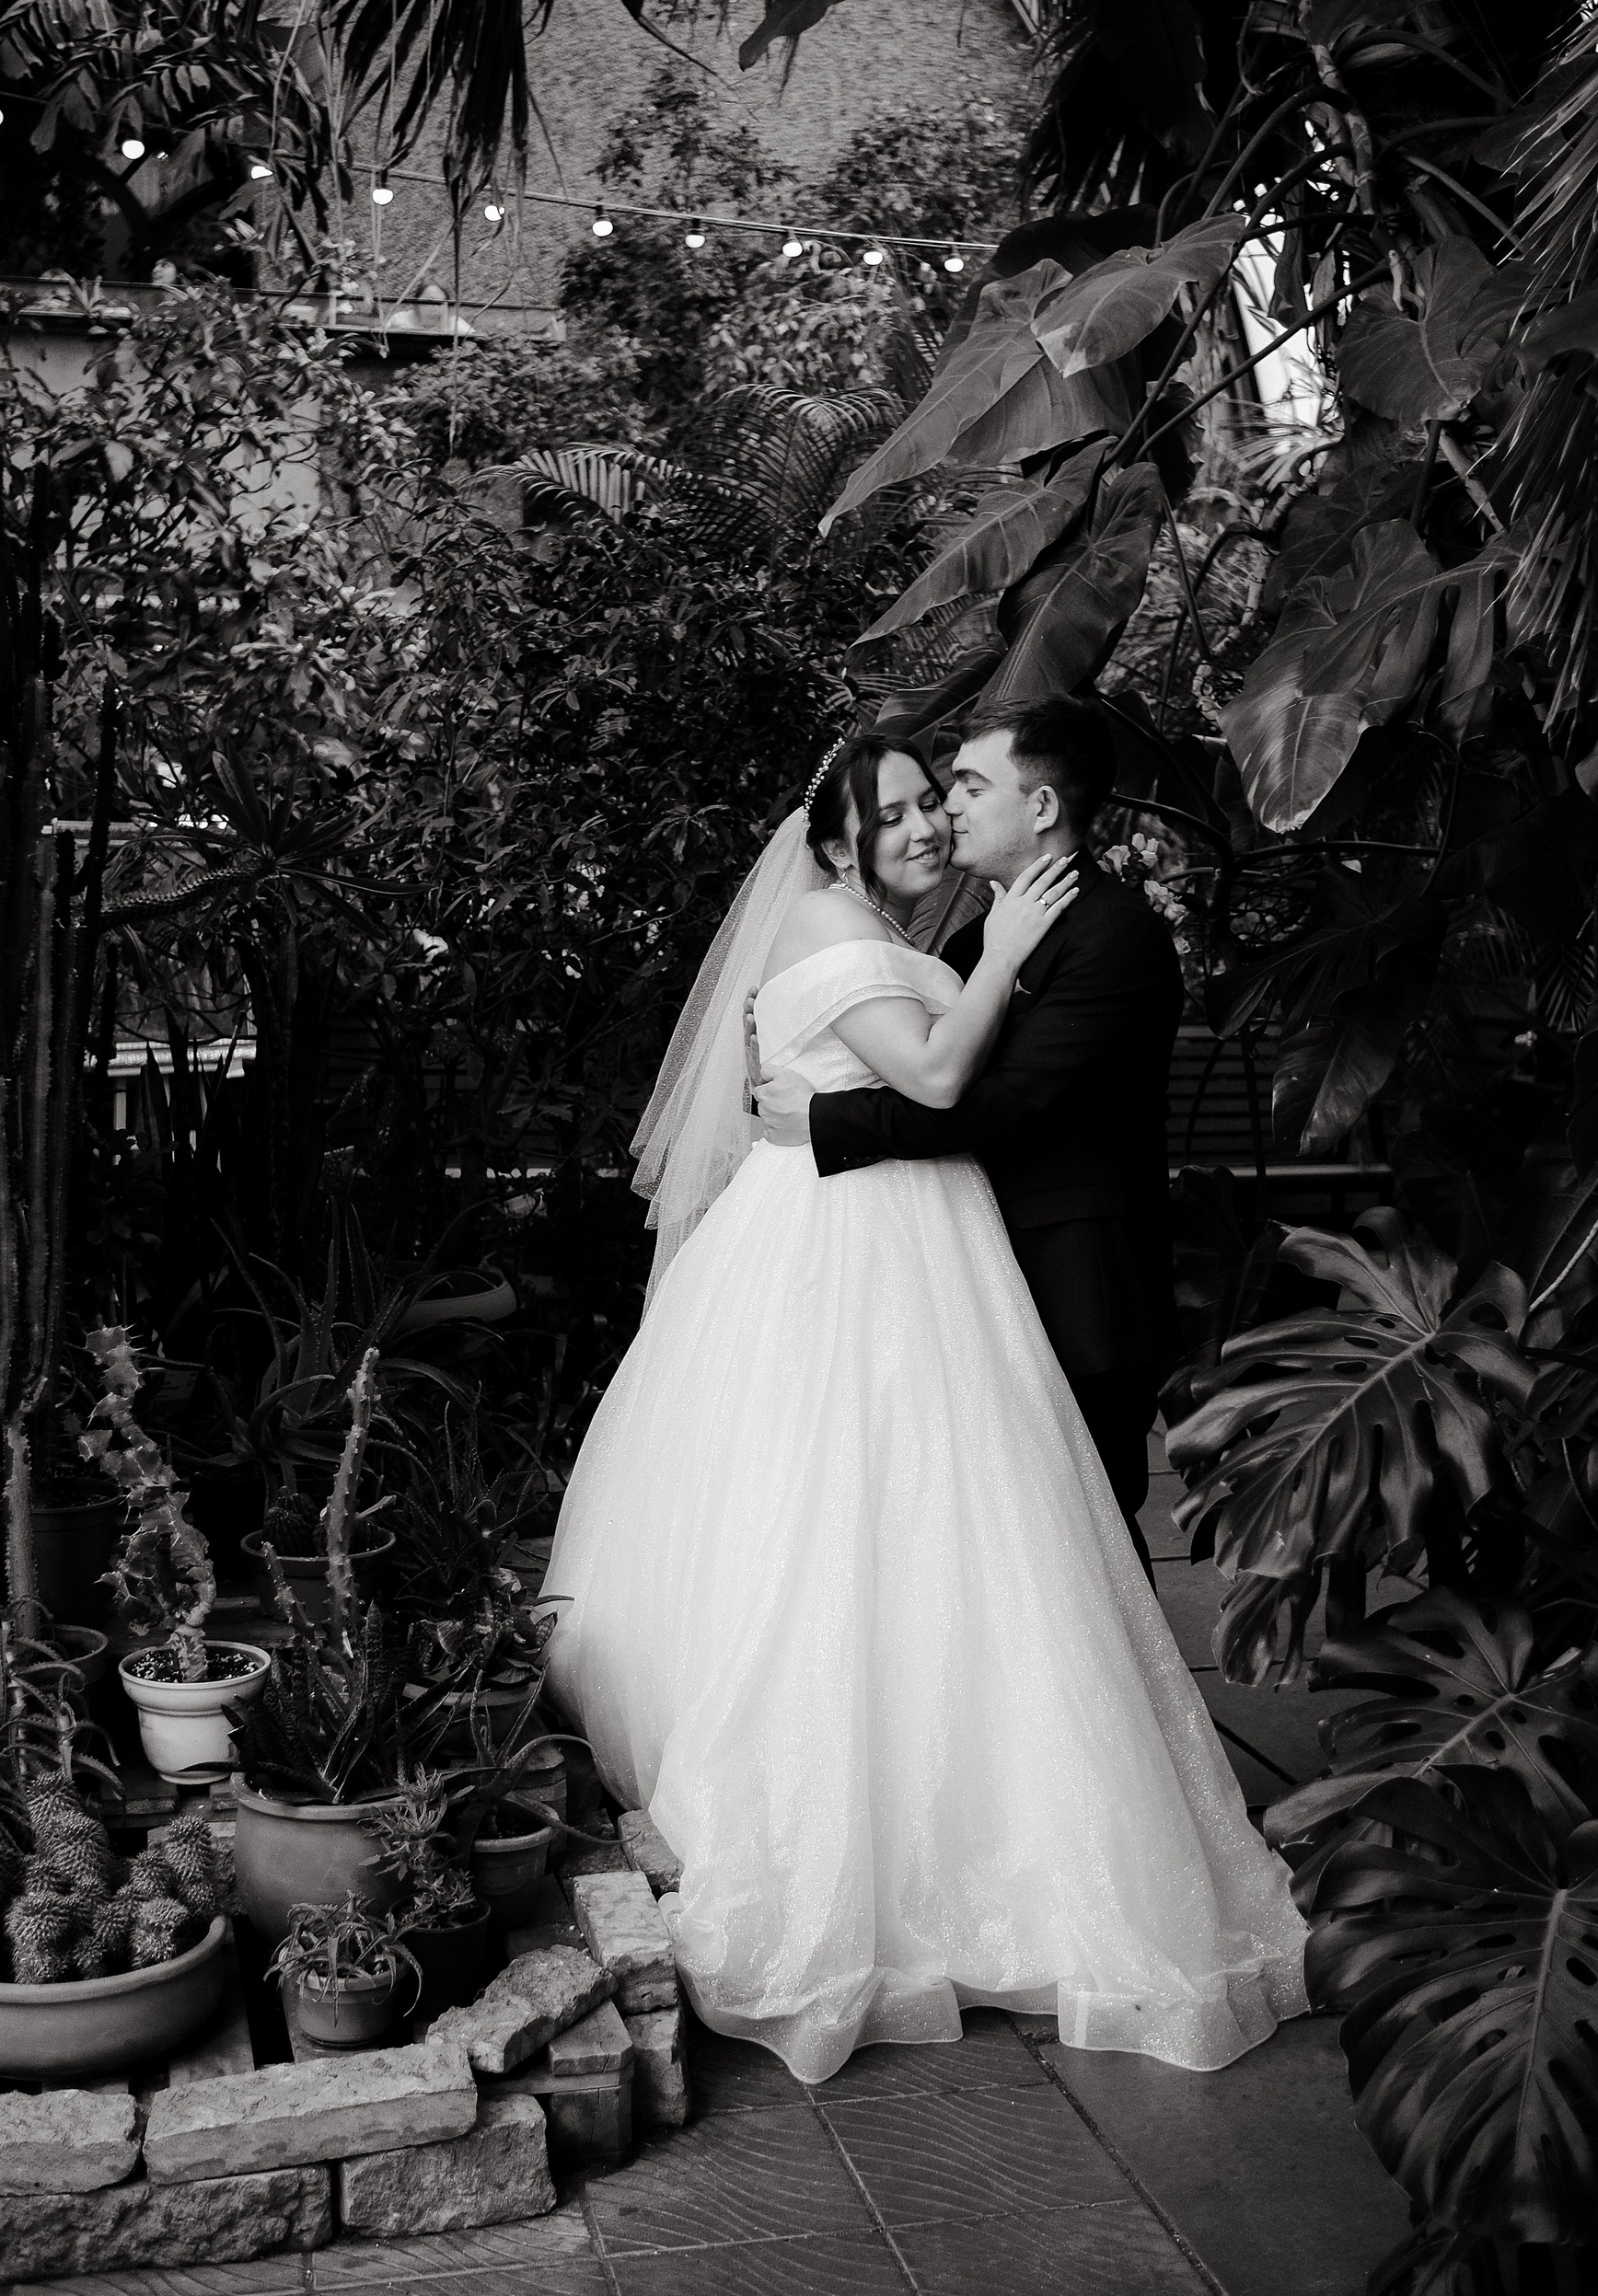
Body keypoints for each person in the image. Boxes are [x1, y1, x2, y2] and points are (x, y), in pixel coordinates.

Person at [543, 732, 1306, 2085]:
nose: (931, 823)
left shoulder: (1078, 933)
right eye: (900, 808)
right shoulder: (878, 934)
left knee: (1007, 1533)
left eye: (946, 796)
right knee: (858, 1512)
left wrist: (851, 1101)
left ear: (1040, 804)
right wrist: (992, 961)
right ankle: (910, 1815)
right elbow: (949, 1078)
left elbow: (978, 1091)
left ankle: (1045, 1791)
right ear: (839, 840)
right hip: (862, 1253)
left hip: (972, 1248)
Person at [758, 697, 1182, 1575]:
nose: (945, 809)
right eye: (923, 799)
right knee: (989, 1536)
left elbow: (1005, 1103)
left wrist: (827, 1119)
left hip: (1077, 1276)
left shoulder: (1116, 935)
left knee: (1089, 1534)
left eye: (966, 788)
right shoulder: (968, 947)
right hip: (956, 1269)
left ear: (1041, 806)